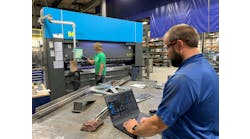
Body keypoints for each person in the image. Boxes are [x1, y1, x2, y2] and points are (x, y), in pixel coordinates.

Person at [123, 24, 219, 138]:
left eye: (167, 47)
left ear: (179, 45)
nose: (167, 53)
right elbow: (187, 113)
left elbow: (157, 126)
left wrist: (135, 128)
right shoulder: (205, 67)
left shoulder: (183, 78)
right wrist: (153, 121)